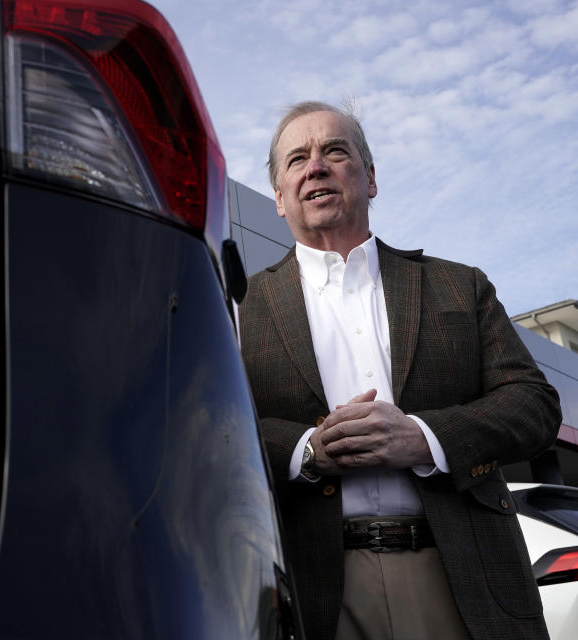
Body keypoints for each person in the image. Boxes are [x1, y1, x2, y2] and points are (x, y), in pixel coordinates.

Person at [239, 101, 562, 640]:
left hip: (464, 577)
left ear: (370, 179)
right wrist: (307, 452)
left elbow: (535, 405)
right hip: (314, 586)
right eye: (296, 159)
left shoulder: (460, 286)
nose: (316, 166)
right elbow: (214, 429)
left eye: (335, 151)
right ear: (278, 197)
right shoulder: (238, 307)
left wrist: (423, 439)